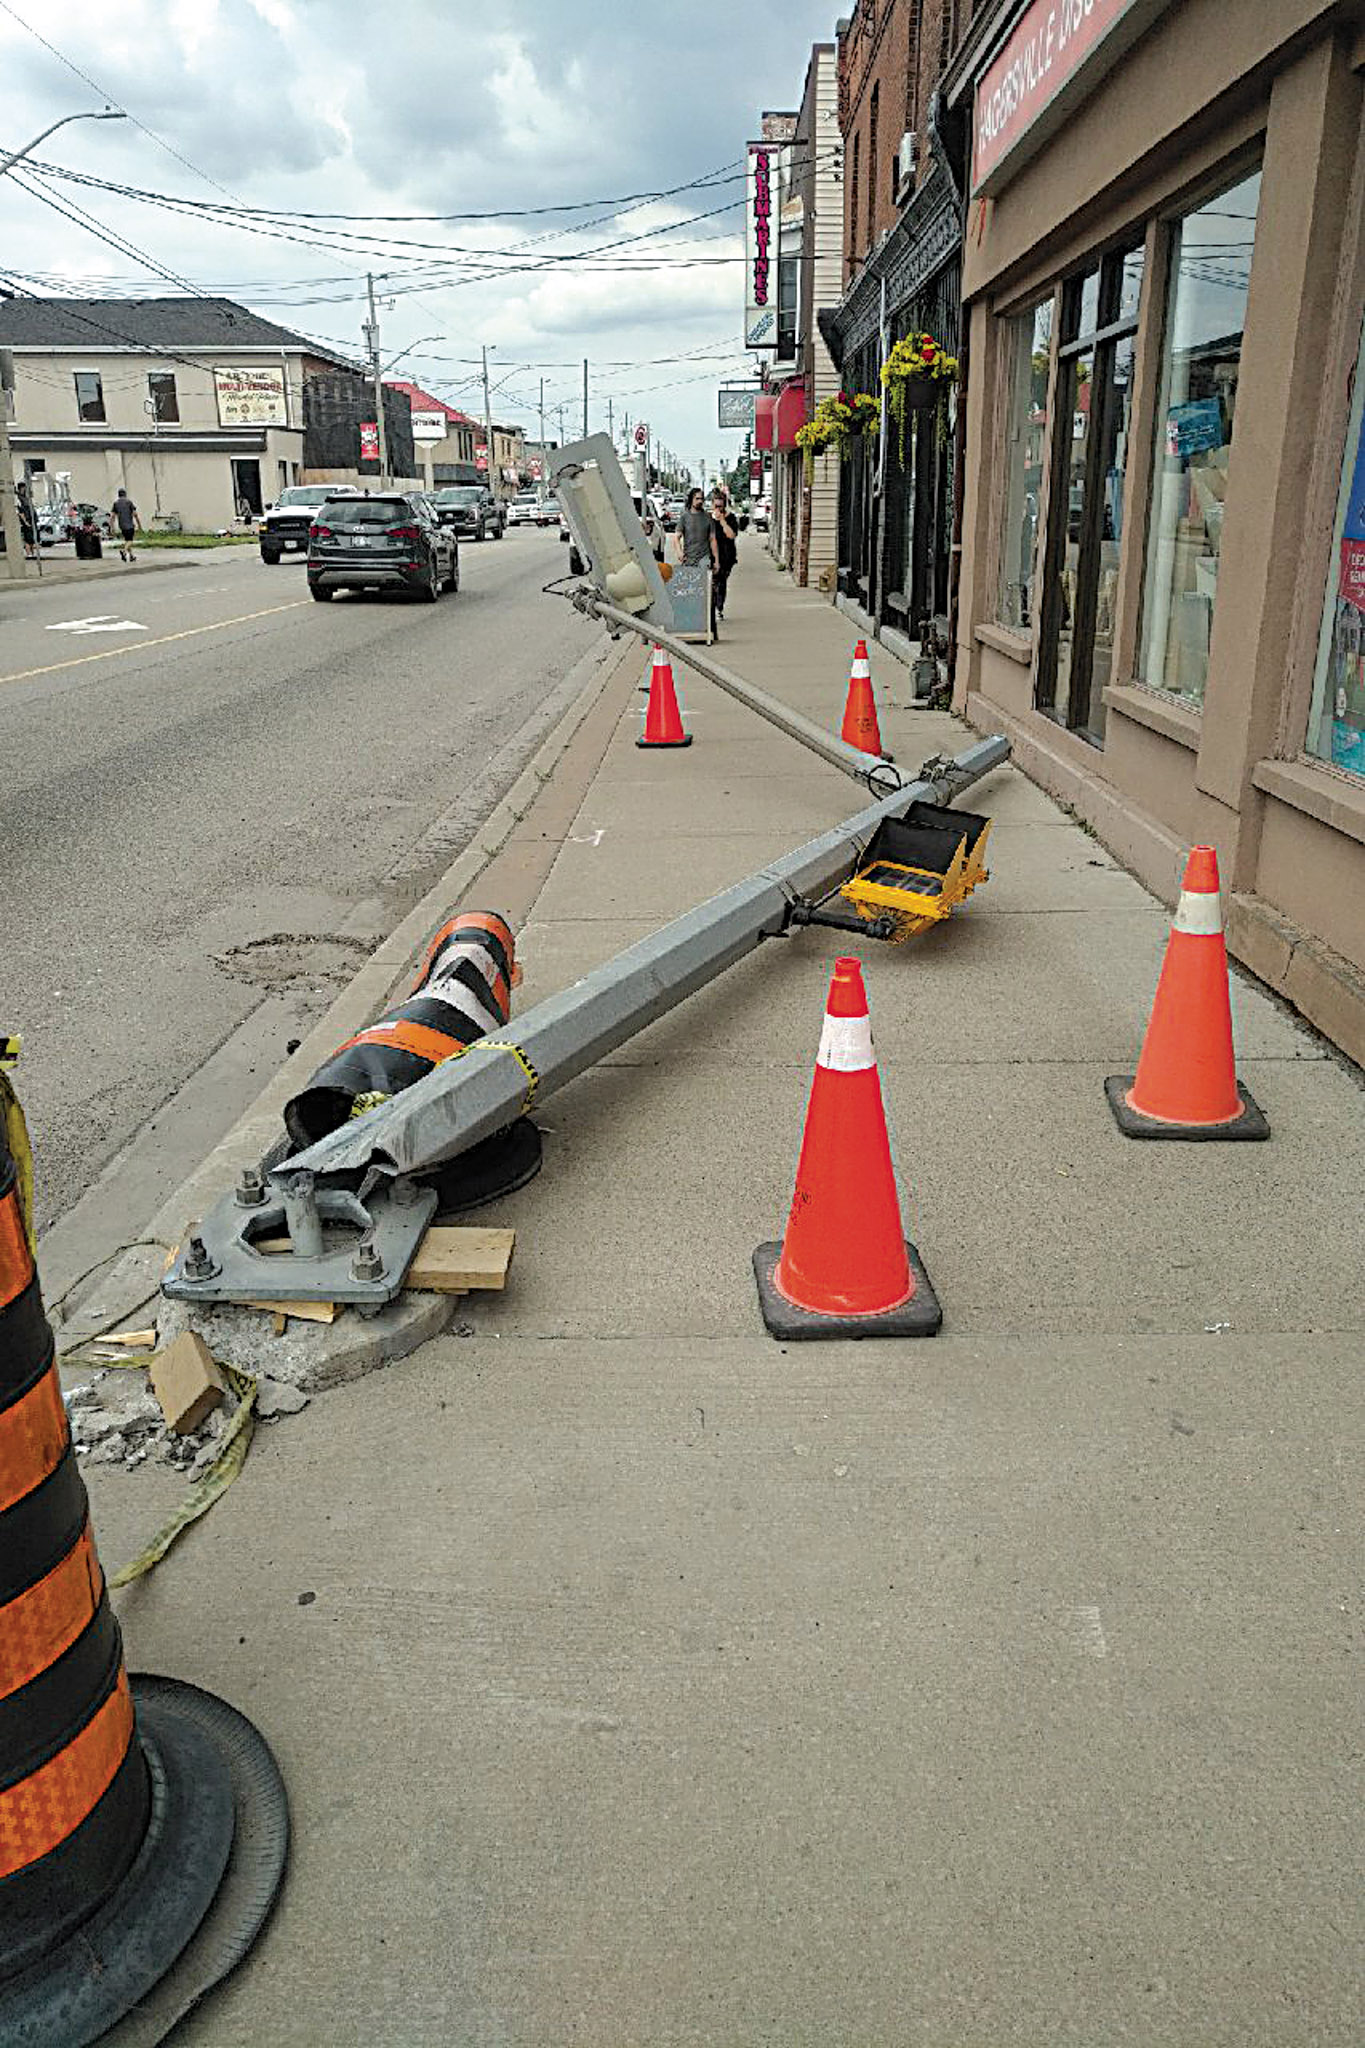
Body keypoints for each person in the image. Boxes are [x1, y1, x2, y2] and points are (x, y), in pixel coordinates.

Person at [709, 489, 738, 626]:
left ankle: (719, 607)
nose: (718, 509)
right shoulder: (708, 518)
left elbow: (731, 535)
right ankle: (711, 607)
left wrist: (722, 521)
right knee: (712, 583)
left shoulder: (730, 518)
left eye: (720, 506)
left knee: (721, 582)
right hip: (711, 555)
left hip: (726, 556)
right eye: (716, 506)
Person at [111, 486, 141, 562]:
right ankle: (124, 551)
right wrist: (139, 524)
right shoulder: (129, 502)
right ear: (125, 494)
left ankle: (131, 556)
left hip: (122, 525)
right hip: (129, 525)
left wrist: (112, 527)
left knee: (127, 540)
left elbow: (113, 516)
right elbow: (135, 514)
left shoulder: (116, 503)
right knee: (130, 541)